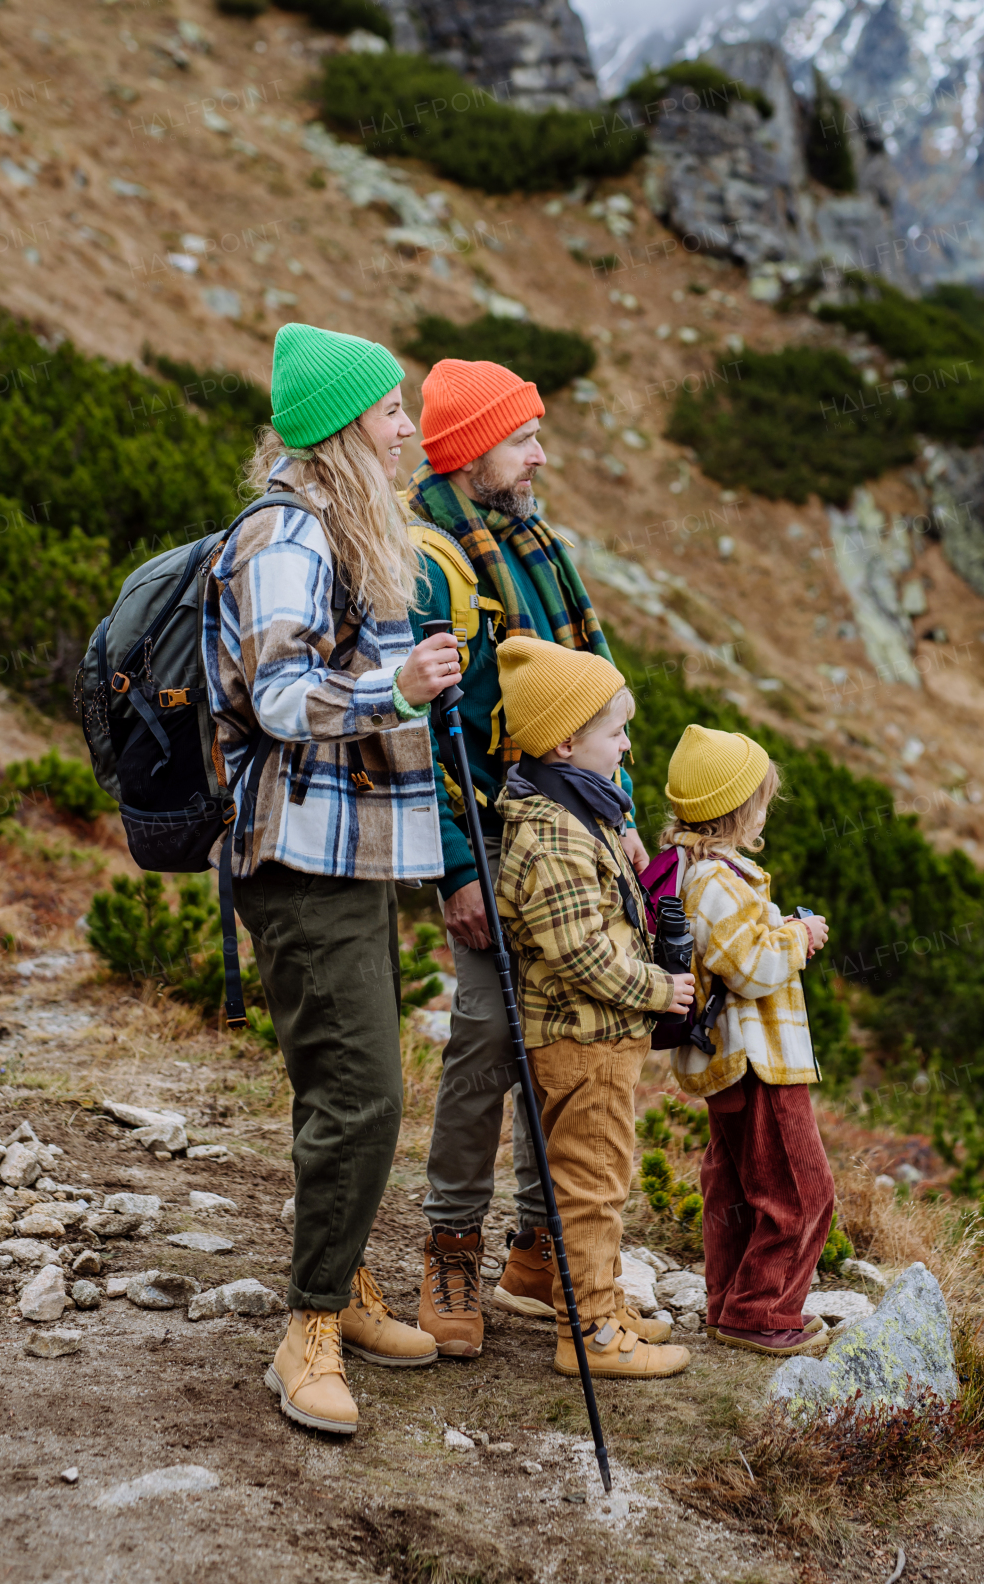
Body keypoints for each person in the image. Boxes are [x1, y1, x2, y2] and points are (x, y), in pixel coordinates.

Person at [203, 322, 463, 1435]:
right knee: (364, 1093)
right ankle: (306, 1329)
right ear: (342, 426)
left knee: (336, 1083)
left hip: (351, 854)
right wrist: (394, 689)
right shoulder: (286, 538)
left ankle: (345, 1284)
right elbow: (275, 698)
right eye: (391, 410)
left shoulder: (349, 530)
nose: (407, 428)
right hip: (300, 854)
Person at [402, 357, 650, 1358]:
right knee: (485, 1040)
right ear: (470, 454)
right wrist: (458, 868)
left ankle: (538, 1254)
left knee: (571, 1037)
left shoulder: (534, 544)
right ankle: (451, 1249)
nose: (539, 454)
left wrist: (618, 811)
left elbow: (588, 698)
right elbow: (423, 729)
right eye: (521, 439)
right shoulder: (431, 559)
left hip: (572, 831)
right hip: (492, 833)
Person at [493, 635, 694, 1380]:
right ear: (568, 741)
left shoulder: (582, 812)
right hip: (584, 1039)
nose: (628, 745)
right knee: (594, 1183)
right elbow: (578, 952)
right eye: (617, 732)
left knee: (588, 1175)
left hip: (595, 1037)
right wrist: (657, 989)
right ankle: (592, 1334)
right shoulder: (552, 836)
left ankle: (583, 1295)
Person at [661, 723, 834, 1357]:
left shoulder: (694, 874)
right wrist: (800, 936)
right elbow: (752, 966)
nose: (766, 809)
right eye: (760, 799)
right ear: (737, 811)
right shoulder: (718, 881)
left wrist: (777, 929)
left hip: (730, 1059)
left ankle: (727, 1302)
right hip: (760, 1060)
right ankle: (762, 1313)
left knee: (734, 1186)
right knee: (801, 1190)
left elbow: (731, 950)